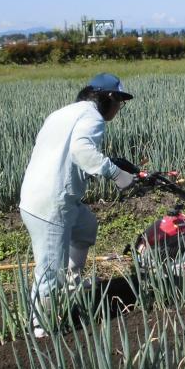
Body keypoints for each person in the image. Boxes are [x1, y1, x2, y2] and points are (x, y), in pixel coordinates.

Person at [19, 72, 136, 337]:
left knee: (86, 227)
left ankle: (73, 282)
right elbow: (82, 151)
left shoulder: (63, 113)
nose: (119, 108)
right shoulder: (93, 117)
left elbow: (65, 152)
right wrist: (116, 174)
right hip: (51, 204)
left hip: (42, 194)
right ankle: (41, 328)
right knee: (50, 269)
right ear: (107, 97)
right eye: (119, 102)